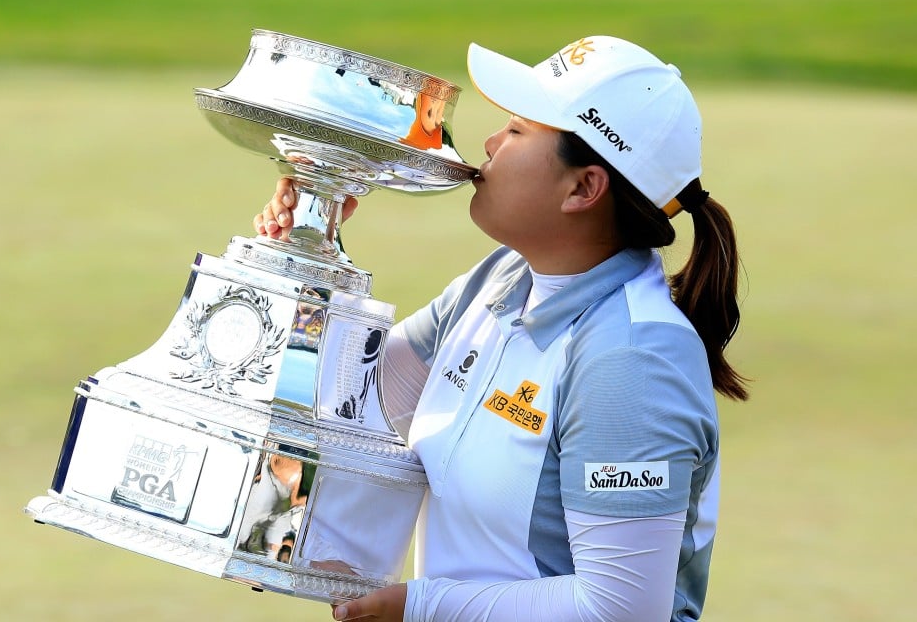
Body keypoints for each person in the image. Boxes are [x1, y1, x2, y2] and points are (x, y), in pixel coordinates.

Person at [254, 35, 748, 622]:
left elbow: (622, 608)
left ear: (584, 188)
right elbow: (350, 403)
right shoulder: (502, 279)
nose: (489, 143)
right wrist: (306, 251)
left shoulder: (633, 358)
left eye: (516, 130)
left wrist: (422, 607)